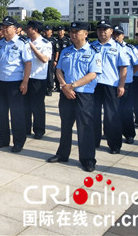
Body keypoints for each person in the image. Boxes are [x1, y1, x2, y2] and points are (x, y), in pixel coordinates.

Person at [47, 21, 102, 172]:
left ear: (85, 34)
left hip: (84, 94)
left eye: (77, 31)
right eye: (71, 31)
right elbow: (58, 70)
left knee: (85, 127)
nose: (73, 34)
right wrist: (64, 86)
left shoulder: (93, 52)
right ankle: (62, 154)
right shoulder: (66, 51)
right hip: (66, 93)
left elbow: (92, 74)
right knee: (65, 125)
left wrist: (73, 85)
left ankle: (87, 159)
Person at [0, 16, 32, 153]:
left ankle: (19, 142)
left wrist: (25, 82)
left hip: (15, 83)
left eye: (7, 27)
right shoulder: (0, 44)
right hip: (1, 82)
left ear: (15, 29)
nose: (3, 29)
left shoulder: (22, 43)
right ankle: (3, 139)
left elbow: (28, 63)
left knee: (16, 114)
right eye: (2, 26)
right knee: (1, 112)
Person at [90, 20, 128, 154]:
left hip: (111, 84)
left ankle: (114, 145)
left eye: (105, 29)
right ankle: (94, 141)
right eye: (100, 29)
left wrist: (121, 85)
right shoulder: (92, 46)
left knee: (112, 115)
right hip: (94, 85)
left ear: (111, 32)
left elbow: (123, 68)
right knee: (93, 114)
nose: (102, 32)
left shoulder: (118, 47)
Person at [112, 25, 138, 143]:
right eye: (113, 34)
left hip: (126, 84)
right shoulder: (108, 47)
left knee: (126, 110)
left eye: (118, 34)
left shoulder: (130, 48)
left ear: (122, 35)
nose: (115, 36)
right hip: (111, 83)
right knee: (111, 110)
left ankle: (129, 134)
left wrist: (129, 75)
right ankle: (112, 132)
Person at [24, 20, 52, 140]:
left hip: (38, 78)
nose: (26, 29)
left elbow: (45, 59)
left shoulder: (45, 43)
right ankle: (26, 128)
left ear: (35, 29)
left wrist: (33, 48)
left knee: (38, 106)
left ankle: (39, 130)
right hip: (26, 77)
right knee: (25, 105)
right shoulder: (25, 41)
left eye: (29, 27)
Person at [54, 26, 71, 92]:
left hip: (65, 59)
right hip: (57, 58)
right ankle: (58, 87)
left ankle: (65, 86)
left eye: (61, 30)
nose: (60, 32)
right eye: (59, 30)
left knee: (64, 73)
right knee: (57, 73)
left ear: (64, 31)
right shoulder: (56, 40)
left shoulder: (67, 40)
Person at [44, 25, 58, 96]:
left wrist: (55, 60)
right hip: (43, 59)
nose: (46, 32)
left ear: (51, 32)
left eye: (48, 30)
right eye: (45, 30)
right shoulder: (42, 39)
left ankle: (50, 88)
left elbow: (57, 51)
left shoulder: (54, 40)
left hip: (51, 59)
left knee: (50, 74)